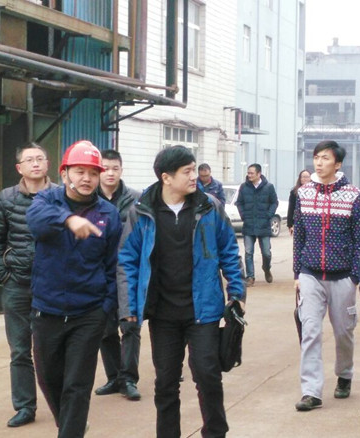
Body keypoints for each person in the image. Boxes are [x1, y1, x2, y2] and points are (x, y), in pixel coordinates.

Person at [119, 145, 245, 438]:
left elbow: (229, 251)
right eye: (187, 172)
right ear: (166, 177)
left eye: (194, 170)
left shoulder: (209, 207)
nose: (194, 177)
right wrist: (128, 307)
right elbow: (126, 260)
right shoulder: (142, 211)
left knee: (208, 376)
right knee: (165, 383)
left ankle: (215, 433)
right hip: (163, 313)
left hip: (203, 310)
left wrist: (237, 294)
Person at [26, 140, 122, 437]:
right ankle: (70, 423)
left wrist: (106, 307)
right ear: (64, 173)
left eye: (93, 173)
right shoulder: (46, 201)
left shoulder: (108, 214)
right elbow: (35, 221)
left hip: (88, 313)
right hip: (47, 309)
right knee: (49, 379)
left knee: (77, 385)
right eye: (79, 171)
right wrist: (68, 219)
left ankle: (71, 430)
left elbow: (113, 265)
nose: (87, 179)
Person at [0, 142, 56, 427]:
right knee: (19, 350)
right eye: (29, 160)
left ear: (48, 164)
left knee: (51, 350)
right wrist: (3, 272)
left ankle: (61, 404)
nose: (35, 163)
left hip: (51, 287)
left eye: (40, 158)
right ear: (19, 168)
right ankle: (25, 407)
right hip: (16, 284)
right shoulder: (7, 198)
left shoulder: (60, 196)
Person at [292, 142, 360, 412]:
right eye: (316, 158)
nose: (319, 163)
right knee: (310, 331)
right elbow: (299, 236)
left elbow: (359, 239)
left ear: (338, 164)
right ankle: (311, 391)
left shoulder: (353, 196)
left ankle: (344, 374)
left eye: (325, 158)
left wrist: (355, 275)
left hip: (343, 276)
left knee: (344, 331)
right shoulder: (303, 193)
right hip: (310, 274)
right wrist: (297, 272)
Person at [94, 149, 143, 401]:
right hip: (100, 273)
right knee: (105, 328)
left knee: (130, 325)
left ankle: (129, 379)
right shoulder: (89, 198)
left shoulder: (136, 199)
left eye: (115, 168)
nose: (110, 173)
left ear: (122, 170)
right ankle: (113, 377)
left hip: (128, 272)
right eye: (105, 168)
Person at [235, 164, 278, 286]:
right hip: (249, 224)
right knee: (248, 252)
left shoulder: (268, 187)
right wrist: (244, 215)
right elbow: (239, 202)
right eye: (248, 173)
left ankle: (266, 268)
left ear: (259, 174)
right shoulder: (244, 187)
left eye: (251, 173)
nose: (249, 175)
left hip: (264, 224)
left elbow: (274, 202)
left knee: (266, 252)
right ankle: (250, 277)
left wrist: (268, 215)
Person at [287, 169, 311, 235]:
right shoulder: (294, 192)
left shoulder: (315, 191)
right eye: (303, 177)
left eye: (307, 177)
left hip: (311, 221)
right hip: (298, 220)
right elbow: (291, 208)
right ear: (300, 179)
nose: (305, 179)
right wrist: (290, 224)